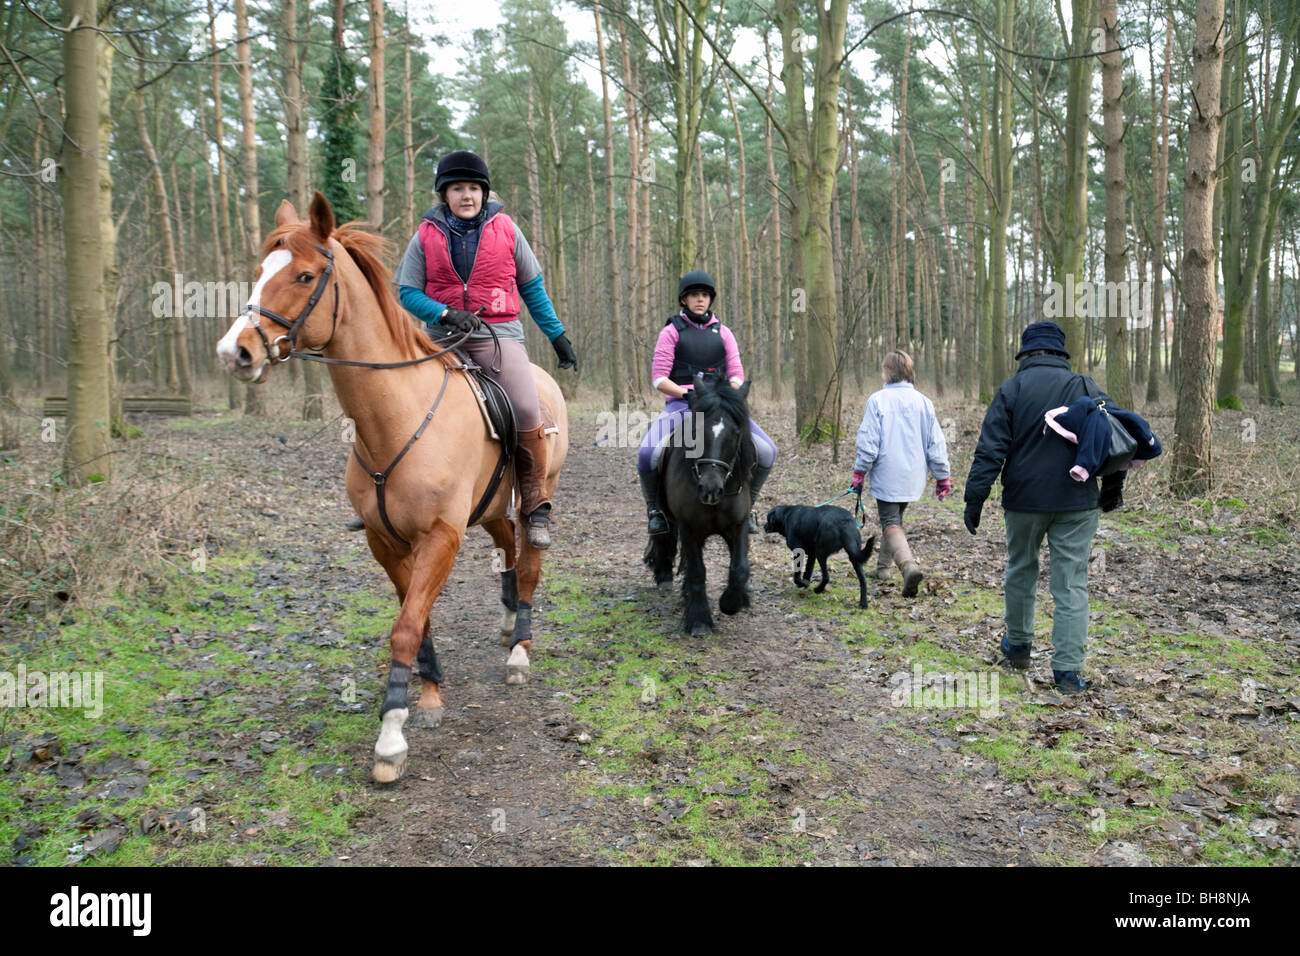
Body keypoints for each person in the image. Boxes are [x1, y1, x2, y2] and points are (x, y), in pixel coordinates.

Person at [390, 149, 578, 548]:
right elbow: (406, 291)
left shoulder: (507, 228)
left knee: (527, 407)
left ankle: (533, 501)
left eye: (473, 188)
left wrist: (557, 335)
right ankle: (384, 499)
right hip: (440, 337)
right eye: (457, 188)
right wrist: (443, 313)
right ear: (445, 195)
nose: (467, 196)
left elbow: (531, 288)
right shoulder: (425, 234)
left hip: (498, 334)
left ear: (484, 192)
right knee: (394, 400)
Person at [963, 321, 1125, 695]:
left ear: (1026, 354)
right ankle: (1067, 674)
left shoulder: (1012, 389)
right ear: (1060, 354)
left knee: (1021, 568)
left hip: (1024, 500)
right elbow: (1115, 438)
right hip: (1077, 499)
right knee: (1070, 583)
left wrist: (976, 498)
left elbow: (991, 448)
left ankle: (1018, 647)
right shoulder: (1086, 386)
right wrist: (1111, 490)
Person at [636, 271, 776, 535]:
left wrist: (725, 396)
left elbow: (736, 375)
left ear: (710, 299)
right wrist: (686, 394)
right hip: (682, 405)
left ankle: (748, 507)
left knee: (768, 451)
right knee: (647, 454)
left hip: (719, 407)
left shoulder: (723, 333)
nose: (700, 299)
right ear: (683, 300)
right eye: (694, 295)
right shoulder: (671, 332)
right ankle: (656, 510)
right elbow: (658, 379)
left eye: (704, 295)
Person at [849, 349, 950, 598]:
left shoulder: (877, 401)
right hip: (913, 476)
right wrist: (942, 476)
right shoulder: (924, 402)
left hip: (887, 474)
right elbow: (935, 443)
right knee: (893, 521)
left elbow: (868, 443)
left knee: (891, 523)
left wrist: (860, 472)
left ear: (887, 372)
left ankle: (908, 568)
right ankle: (883, 569)